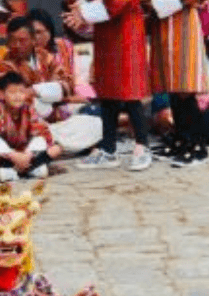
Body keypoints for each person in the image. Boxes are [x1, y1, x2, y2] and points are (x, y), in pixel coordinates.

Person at [67, 0, 155, 170]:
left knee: (129, 90)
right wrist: (81, 5)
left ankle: (142, 146)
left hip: (126, 30)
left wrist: (85, 12)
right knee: (107, 90)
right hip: (106, 29)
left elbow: (116, 3)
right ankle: (108, 149)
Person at [152, 0, 209, 166]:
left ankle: (196, 144)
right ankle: (180, 138)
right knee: (171, 84)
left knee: (185, 85)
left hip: (183, 22)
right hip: (164, 25)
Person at [0, 72, 61, 180]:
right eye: (12, 92)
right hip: (7, 156)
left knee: (56, 148)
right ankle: (12, 168)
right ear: (2, 94)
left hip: (28, 154)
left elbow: (42, 132)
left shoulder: (29, 109)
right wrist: (13, 155)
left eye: (21, 92)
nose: (17, 96)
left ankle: (28, 167)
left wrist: (27, 155)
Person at [0, 16, 74, 119]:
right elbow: (15, 99)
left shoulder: (43, 55)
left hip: (56, 115)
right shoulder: (6, 65)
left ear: (33, 40)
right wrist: (51, 89)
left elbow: (68, 83)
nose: (17, 45)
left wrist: (36, 90)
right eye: (13, 40)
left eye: (22, 40)